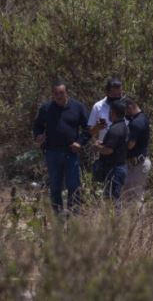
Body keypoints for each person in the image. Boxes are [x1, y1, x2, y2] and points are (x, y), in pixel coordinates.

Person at [32, 80, 91, 214]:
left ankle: (74, 214)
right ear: (52, 94)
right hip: (52, 152)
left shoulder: (78, 107)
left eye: (61, 93)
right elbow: (37, 125)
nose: (59, 96)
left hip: (71, 152)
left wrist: (80, 142)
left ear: (67, 93)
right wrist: (38, 135)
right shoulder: (46, 108)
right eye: (56, 93)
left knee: (73, 185)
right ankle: (57, 214)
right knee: (55, 185)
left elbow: (88, 128)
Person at [93, 100, 128, 208]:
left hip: (114, 170)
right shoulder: (122, 126)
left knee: (113, 199)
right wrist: (102, 143)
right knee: (112, 197)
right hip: (118, 167)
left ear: (113, 112)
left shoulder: (115, 129)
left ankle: (116, 223)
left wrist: (97, 147)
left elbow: (109, 150)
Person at [121, 98, 151, 203]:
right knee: (129, 195)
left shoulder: (136, 123)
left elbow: (130, 145)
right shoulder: (143, 118)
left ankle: (138, 219)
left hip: (137, 165)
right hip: (137, 163)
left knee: (135, 197)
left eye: (124, 111)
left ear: (130, 107)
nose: (124, 114)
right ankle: (129, 218)